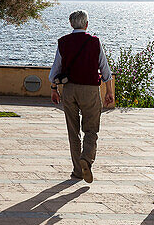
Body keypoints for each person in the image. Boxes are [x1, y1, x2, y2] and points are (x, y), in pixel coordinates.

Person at [48, 10, 115, 183]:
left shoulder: (63, 42)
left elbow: (55, 70)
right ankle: (86, 158)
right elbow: (105, 68)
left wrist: (54, 89)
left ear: (71, 24)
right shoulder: (94, 42)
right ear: (86, 24)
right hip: (91, 90)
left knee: (73, 131)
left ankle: (78, 171)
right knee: (91, 129)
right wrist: (109, 91)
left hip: (69, 89)